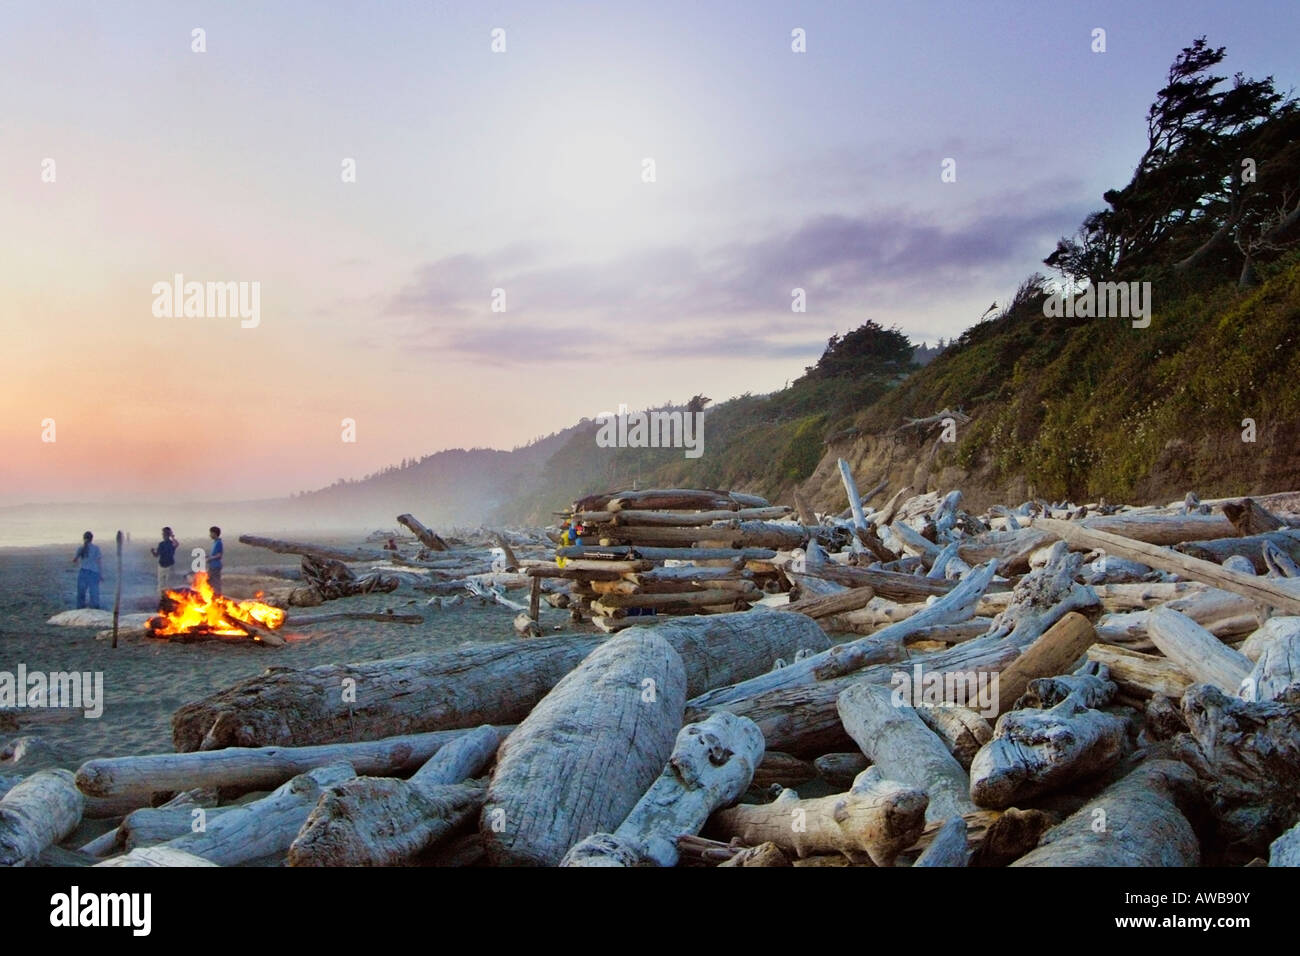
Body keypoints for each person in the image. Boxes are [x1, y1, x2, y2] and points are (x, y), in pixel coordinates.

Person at [71, 531, 102, 609]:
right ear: (92, 539)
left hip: (83, 571)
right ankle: (95, 608)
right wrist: (101, 574)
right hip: (94, 572)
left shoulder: (81, 548)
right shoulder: (96, 548)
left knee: (81, 593)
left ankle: (80, 609)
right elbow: (99, 562)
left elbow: (74, 560)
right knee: (94, 593)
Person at [151, 527, 178, 594]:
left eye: (165, 533)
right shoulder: (161, 544)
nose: (163, 535)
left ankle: (169, 597)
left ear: (168, 534)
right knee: (161, 584)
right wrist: (152, 552)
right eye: (163, 533)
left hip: (169, 566)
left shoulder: (171, 543)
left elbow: (176, 544)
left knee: (169, 584)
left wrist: (172, 537)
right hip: (161, 566)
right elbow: (156, 555)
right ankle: (161, 597)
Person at [207, 526, 224, 594]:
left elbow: (219, 555)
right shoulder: (215, 542)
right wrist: (208, 556)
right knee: (209, 582)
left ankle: (218, 596)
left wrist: (211, 558)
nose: (210, 535)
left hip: (215, 566)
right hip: (212, 566)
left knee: (216, 582)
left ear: (214, 533)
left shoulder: (219, 543)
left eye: (211, 533)